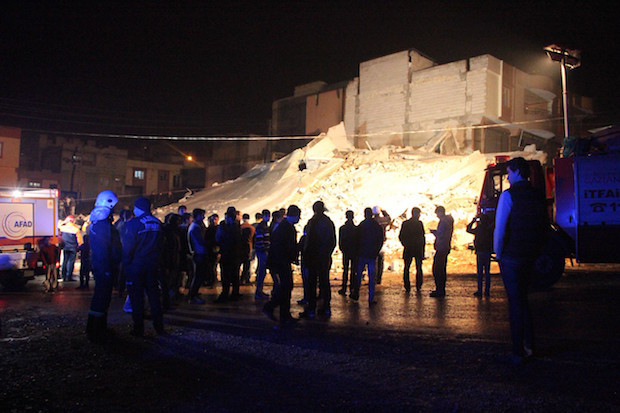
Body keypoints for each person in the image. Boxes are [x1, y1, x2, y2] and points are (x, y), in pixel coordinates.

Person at [494, 157, 548, 363]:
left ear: (517, 171)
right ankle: (530, 345)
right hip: (530, 255)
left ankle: (517, 351)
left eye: (509, 173)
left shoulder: (509, 196)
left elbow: (500, 229)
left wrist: (498, 254)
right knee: (524, 299)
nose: (507, 178)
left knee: (515, 302)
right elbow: (543, 226)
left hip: (512, 255)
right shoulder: (537, 195)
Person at [122, 197, 164, 336]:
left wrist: (126, 264)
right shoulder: (157, 223)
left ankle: (138, 328)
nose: (134, 210)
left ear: (140, 208)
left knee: (136, 297)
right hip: (153, 264)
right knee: (154, 296)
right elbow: (161, 245)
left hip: (137, 265)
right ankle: (159, 326)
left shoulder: (134, 223)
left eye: (135, 207)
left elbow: (128, 247)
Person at [86, 190, 122, 343]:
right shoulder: (103, 225)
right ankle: (96, 330)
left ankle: (96, 327)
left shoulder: (97, 223)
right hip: (104, 266)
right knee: (102, 297)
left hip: (102, 265)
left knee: (101, 297)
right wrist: (108, 267)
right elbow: (105, 249)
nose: (114, 210)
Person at [262, 205, 301, 329]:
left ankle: (283, 314)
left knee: (286, 287)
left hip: (281, 262)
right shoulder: (286, 228)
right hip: (281, 262)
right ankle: (273, 308)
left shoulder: (285, 226)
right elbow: (283, 246)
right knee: (286, 287)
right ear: (294, 215)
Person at [300, 201, 337, 319]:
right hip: (324, 257)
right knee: (324, 283)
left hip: (313, 258)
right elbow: (332, 241)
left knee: (311, 284)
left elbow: (309, 241)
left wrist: (306, 256)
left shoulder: (312, 222)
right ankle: (326, 307)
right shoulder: (328, 222)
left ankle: (311, 309)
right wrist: (327, 254)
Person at [351, 208, 384, 305]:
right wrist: (376, 251)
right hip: (371, 254)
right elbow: (380, 239)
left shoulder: (361, 225)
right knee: (371, 276)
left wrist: (357, 251)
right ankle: (371, 298)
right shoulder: (376, 226)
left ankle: (356, 293)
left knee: (359, 275)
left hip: (362, 253)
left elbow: (356, 239)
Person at [215, 206, 243, 302]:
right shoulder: (237, 226)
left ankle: (226, 294)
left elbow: (218, 238)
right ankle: (234, 293)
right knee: (234, 275)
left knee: (226, 276)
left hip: (227, 254)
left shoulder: (224, 226)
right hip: (233, 254)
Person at [399, 207, 426, 293]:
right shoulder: (419, 224)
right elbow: (422, 237)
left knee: (406, 268)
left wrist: (405, 244)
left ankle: (407, 286)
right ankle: (419, 285)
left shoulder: (405, 223)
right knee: (419, 267)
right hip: (418, 249)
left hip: (408, 248)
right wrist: (423, 250)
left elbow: (401, 236)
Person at [467, 213, 494, 297]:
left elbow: (468, 229)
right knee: (487, 272)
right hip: (487, 251)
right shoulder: (489, 229)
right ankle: (487, 291)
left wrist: (473, 221)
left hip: (480, 252)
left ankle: (480, 290)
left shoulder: (479, 228)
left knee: (480, 273)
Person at [429, 206, 454, 297]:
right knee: (442, 269)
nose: (437, 216)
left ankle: (439, 289)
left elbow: (441, 235)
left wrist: (434, 232)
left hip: (441, 247)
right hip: (445, 247)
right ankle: (441, 289)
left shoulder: (443, 222)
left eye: (437, 213)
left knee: (437, 269)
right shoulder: (449, 221)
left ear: (440, 212)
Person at [187, 208, 208, 304]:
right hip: (198, 254)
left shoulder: (196, 226)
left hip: (199, 253)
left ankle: (193, 295)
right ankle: (192, 297)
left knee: (199, 276)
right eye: (202, 215)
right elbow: (201, 241)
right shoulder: (195, 227)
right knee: (197, 276)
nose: (203, 217)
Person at [161, 213, 182, 309]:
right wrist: (166, 264)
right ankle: (165, 303)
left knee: (171, 282)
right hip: (168, 261)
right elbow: (167, 249)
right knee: (167, 283)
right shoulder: (168, 231)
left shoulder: (173, 231)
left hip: (173, 260)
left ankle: (168, 301)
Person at [338, 210, 358, 296]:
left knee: (345, 270)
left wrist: (343, 249)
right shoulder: (356, 229)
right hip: (354, 251)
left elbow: (341, 241)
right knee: (353, 271)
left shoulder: (342, 228)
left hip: (346, 251)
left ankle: (344, 287)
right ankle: (352, 288)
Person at [59, 215, 83, 282]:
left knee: (65, 261)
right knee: (71, 262)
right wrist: (79, 247)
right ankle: (69, 276)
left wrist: (64, 222)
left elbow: (59, 234)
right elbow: (79, 240)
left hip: (65, 247)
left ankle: (63, 276)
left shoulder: (62, 228)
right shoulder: (76, 229)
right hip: (73, 248)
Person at [254, 209, 272, 300]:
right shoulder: (261, 227)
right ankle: (258, 292)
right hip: (262, 252)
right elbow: (260, 240)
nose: (268, 218)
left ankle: (259, 291)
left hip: (263, 251)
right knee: (261, 272)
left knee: (262, 272)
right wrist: (264, 250)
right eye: (267, 216)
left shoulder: (264, 226)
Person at [372, 206, 391, 285]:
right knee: (381, 261)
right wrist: (384, 210)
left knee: (375, 262)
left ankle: (374, 279)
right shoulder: (384, 220)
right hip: (382, 242)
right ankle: (379, 279)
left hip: (374, 243)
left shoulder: (372, 221)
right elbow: (389, 218)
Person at [204, 213, 220, 287]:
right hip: (210, 249)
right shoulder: (210, 229)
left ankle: (212, 280)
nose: (214, 221)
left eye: (215, 219)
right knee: (211, 266)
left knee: (213, 266)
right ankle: (211, 279)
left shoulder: (216, 228)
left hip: (214, 249)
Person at [240, 213, 255, 285]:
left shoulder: (240, 227)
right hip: (249, 247)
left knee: (239, 264)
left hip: (240, 248)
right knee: (247, 264)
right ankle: (245, 278)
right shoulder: (252, 228)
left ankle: (239, 280)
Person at [77, 220, 91, 289]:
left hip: (83, 260)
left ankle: (82, 284)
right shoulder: (90, 246)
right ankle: (87, 284)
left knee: (82, 273)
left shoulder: (83, 246)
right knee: (87, 272)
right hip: (88, 260)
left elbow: (78, 249)